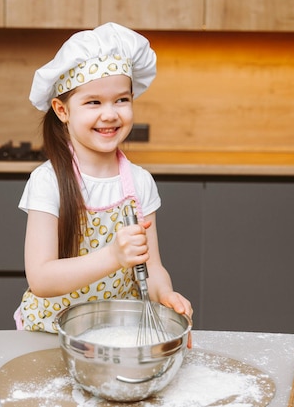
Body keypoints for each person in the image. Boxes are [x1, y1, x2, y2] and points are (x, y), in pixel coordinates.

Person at [15, 22, 193, 338]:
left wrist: (165, 294)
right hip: (51, 332)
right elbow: (41, 279)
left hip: (117, 331)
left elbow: (150, 268)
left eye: (121, 100)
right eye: (93, 102)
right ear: (62, 110)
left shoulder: (140, 183)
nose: (110, 114)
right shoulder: (48, 182)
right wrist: (112, 256)